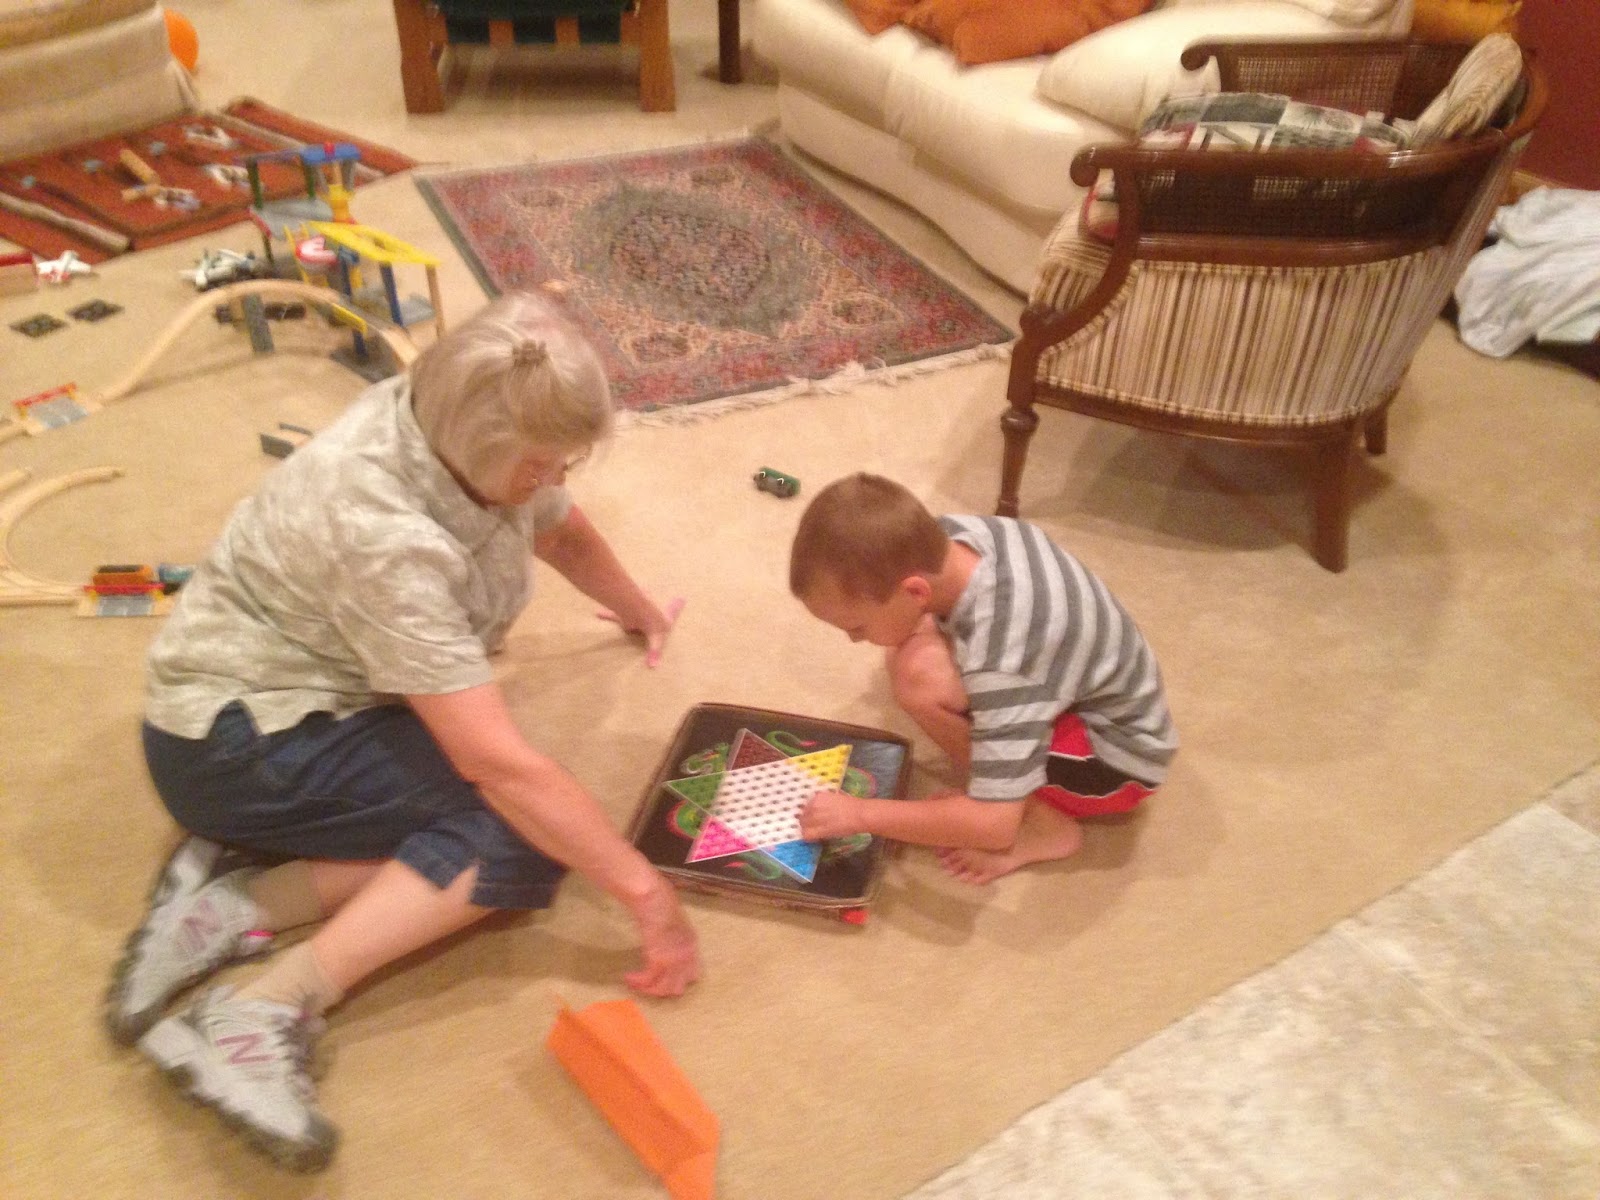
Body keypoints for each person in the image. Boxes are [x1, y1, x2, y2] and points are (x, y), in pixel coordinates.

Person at [108, 292, 699, 1173]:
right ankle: (260, 1008)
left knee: (529, 819)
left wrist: (640, 608)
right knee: (518, 836)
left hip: (306, 702)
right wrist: (645, 892)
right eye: (545, 465)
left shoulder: (450, 417)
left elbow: (564, 531)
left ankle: (234, 904)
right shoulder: (381, 534)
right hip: (234, 746)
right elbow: (495, 765)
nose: (559, 480)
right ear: (484, 451)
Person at [789, 473, 1176, 886]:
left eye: (858, 627)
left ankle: (1046, 827)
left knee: (918, 680)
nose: (853, 640)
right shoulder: (958, 534)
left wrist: (860, 814)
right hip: (1080, 687)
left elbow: (992, 826)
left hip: (1114, 761)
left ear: (915, 591)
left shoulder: (1004, 658)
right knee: (913, 655)